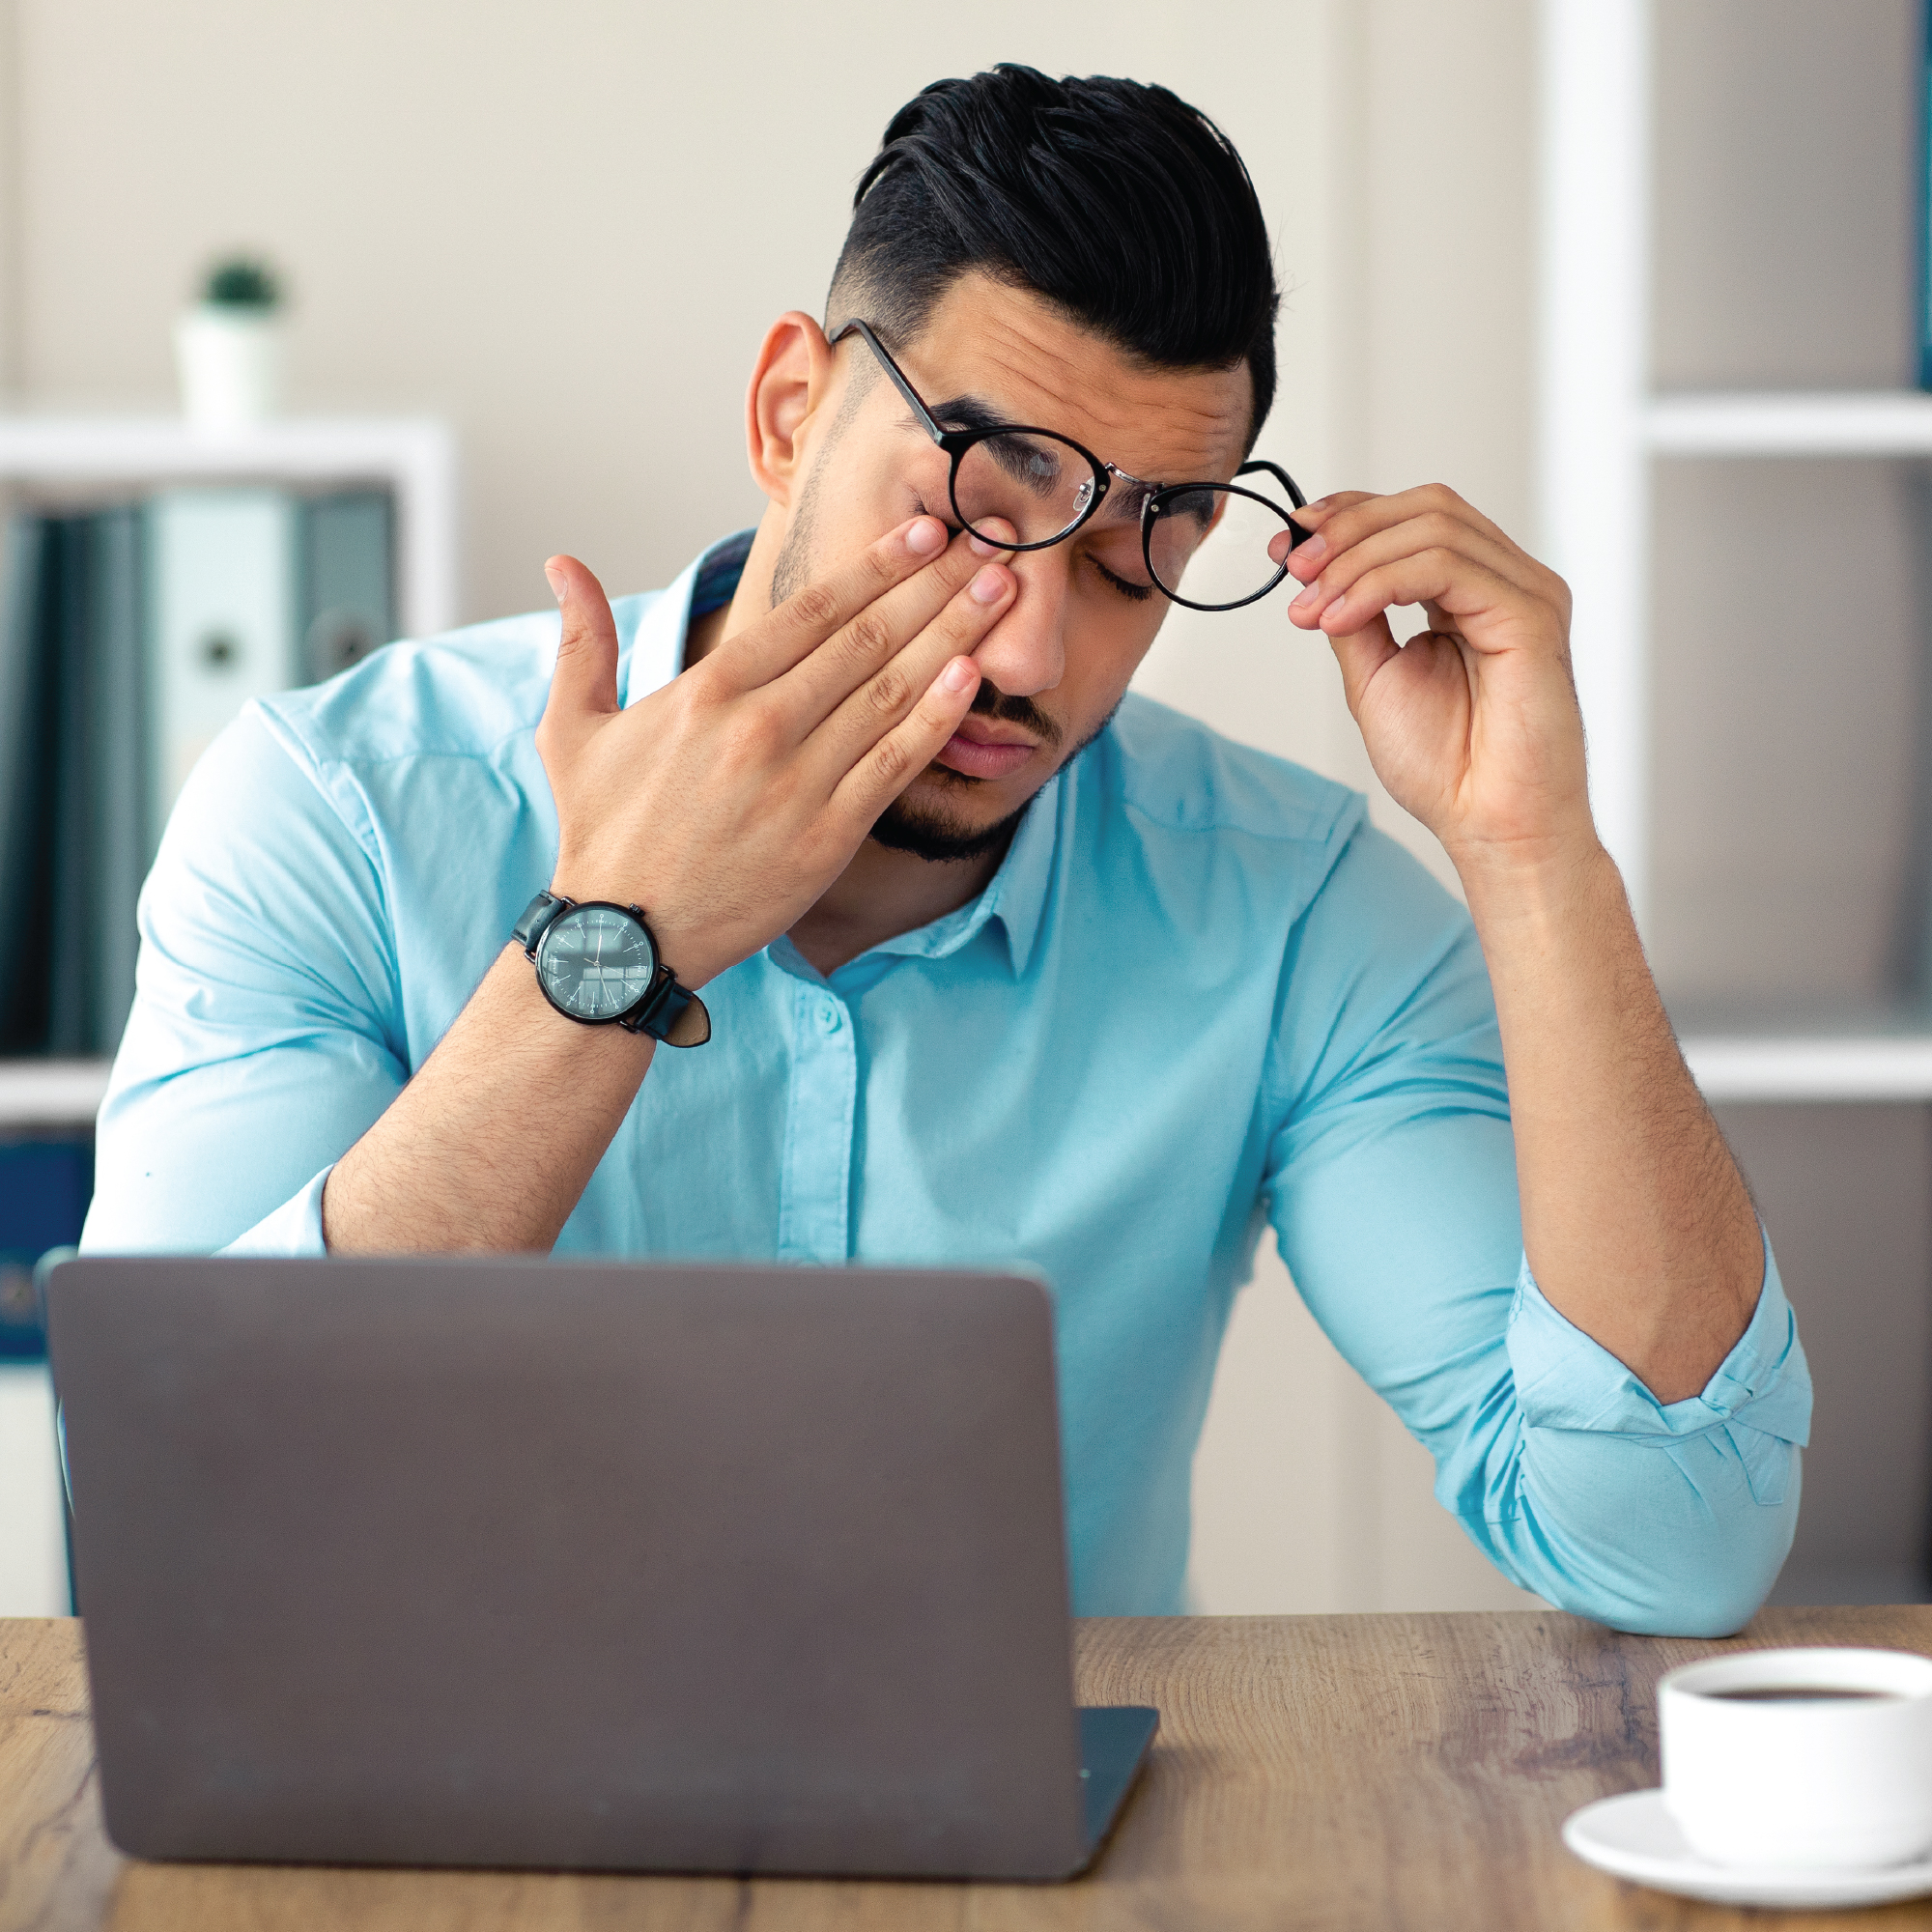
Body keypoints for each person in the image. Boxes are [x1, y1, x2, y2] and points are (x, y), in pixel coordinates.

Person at [83, 66, 1808, 1632]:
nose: (1037, 651)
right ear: (786, 414)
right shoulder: (332, 810)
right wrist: (615, 942)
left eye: (1151, 537)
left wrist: (1534, 855)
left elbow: (1670, 1540)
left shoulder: (1287, 915)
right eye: (986, 487)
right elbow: (173, 1530)